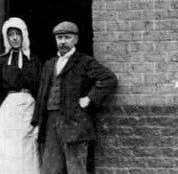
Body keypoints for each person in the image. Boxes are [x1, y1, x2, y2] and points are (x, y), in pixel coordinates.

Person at [32, 21, 118, 174]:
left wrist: (89, 98)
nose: (63, 41)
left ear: (76, 39)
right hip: (51, 123)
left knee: (76, 169)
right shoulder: (49, 65)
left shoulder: (84, 62)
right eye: (59, 38)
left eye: (67, 37)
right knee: (50, 168)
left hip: (75, 124)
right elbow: (42, 95)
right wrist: (38, 123)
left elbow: (109, 79)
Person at [0, 17, 41, 174]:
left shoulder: (34, 61)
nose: (15, 38)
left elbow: (40, 90)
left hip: (30, 109)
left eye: (18, 34)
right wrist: (6, 109)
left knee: (28, 149)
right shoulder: (0, 62)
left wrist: (37, 116)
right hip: (9, 112)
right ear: (6, 37)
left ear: (24, 35)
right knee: (9, 151)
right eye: (11, 34)